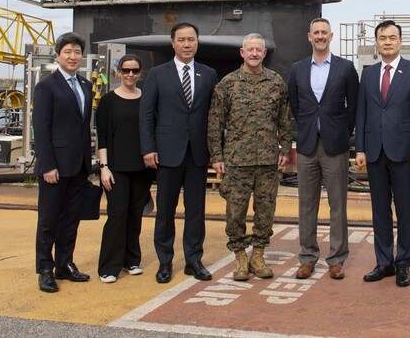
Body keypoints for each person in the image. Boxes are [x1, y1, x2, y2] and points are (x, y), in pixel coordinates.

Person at [208, 33, 293, 281]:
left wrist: (285, 150)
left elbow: (284, 120)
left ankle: (257, 254)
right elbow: (215, 122)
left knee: (265, 211)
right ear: (242, 53)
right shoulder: (228, 84)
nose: (255, 53)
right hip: (236, 160)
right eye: (250, 49)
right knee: (235, 212)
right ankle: (240, 256)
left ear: (264, 54)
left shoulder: (276, 82)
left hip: (267, 159)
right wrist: (217, 155)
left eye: (259, 50)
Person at [139, 22, 218, 284]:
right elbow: (147, 114)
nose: (187, 44)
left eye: (191, 40)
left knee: (196, 210)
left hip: (197, 153)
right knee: (165, 211)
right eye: (182, 40)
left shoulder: (208, 74)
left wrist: (215, 151)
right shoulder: (157, 74)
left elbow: (214, 116)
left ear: (197, 42)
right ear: (173, 43)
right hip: (167, 153)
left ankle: (193, 260)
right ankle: (164, 262)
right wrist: (148, 148)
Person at [355, 19, 410, 288]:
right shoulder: (368, 73)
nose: (387, 42)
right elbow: (362, 112)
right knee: (379, 211)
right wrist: (360, 148)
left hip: (404, 153)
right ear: (376, 42)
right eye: (382, 38)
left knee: (405, 209)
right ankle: (384, 261)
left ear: (400, 41)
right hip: (375, 152)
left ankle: (404, 263)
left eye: (392, 37)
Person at [288, 18, 360, 281]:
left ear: (331, 36)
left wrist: (342, 130)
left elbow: (353, 107)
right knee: (306, 204)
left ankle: (337, 259)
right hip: (307, 145)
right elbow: (295, 106)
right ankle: (307, 258)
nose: (320, 37)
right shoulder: (297, 69)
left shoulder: (346, 68)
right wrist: (308, 127)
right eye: (315, 33)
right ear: (309, 37)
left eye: (324, 33)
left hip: (336, 146)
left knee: (337, 204)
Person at [33, 32, 93, 293]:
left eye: (77, 52)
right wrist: (47, 165)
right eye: (68, 51)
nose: (73, 56)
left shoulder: (86, 85)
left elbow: (82, 126)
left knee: (71, 219)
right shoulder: (47, 86)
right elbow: (41, 128)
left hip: (78, 165)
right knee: (49, 220)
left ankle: (64, 263)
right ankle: (45, 268)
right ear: (57, 55)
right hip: (55, 165)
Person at [96, 54, 153, 283]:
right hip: (116, 167)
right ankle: (109, 266)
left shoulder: (147, 99)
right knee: (117, 214)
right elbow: (102, 136)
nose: (130, 75)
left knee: (135, 214)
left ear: (140, 73)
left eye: (135, 71)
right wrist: (103, 167)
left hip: (142, 167)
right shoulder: (108, 101)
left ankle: (131, 260)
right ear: (118, 72)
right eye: (126, 70)